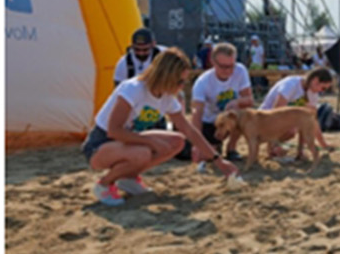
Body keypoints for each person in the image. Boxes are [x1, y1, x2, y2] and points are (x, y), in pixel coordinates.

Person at [86, 47, 237, 207]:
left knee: (177, 142)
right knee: (143, 152)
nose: (182, 86)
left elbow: (189, 130)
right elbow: (114, 131)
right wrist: (151, 142)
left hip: (127, 142)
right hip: (100, 144)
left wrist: (219, 162)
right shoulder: (133, 89)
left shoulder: (167, 97)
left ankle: (128, 178)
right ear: (166, 76)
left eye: (184, 81)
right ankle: (104, 184)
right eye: (180, 81)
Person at [190, 43, 254, 161]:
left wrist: (237, 102)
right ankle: (215, 145)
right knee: (207, 156)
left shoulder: (240, 71)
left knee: (243, 112)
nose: (228, 70)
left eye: (231, 66)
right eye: (223, 66)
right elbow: (196, 114)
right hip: (211, 122)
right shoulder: (202, 82)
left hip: (230, 119)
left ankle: (231, 148)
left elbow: (250, 100)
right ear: (213, 62)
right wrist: (197, 144)